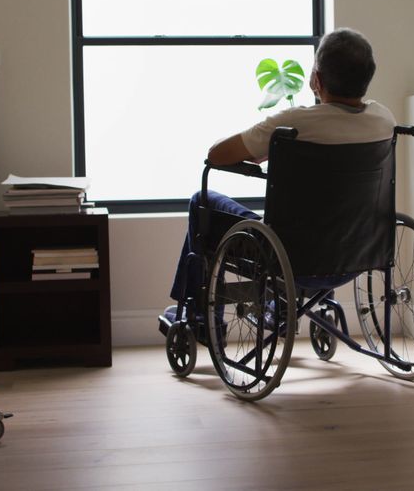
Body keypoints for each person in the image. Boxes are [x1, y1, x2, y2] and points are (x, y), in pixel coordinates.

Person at [168, 27, 396, 307]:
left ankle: (199, 315)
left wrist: (263, 151)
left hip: (288, 258)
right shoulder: (384, 121)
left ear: (316, 79)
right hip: (358, 255)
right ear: (367, 78)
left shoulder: (293, 124)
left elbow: (216, 155)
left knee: (200, 200)